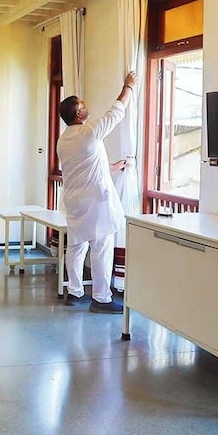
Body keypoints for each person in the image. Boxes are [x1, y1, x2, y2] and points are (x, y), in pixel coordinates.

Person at [56, 72, 136, 314]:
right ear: (78, 114)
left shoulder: (64, 140)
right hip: (95, 201)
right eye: (82, 105)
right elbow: (116, 112)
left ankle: (75, 292)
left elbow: (84, 164)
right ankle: (101, 298)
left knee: (76, 245)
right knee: (101, 246)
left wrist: (112, 167)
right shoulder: (89, 133)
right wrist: (128, 87)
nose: (86, 106)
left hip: (74, 201)